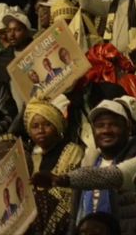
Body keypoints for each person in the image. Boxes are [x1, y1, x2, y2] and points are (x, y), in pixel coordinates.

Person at [26, 99, 85, 235]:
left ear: (57, 126)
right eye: (35, 126)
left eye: (47, 124)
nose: (40, 130)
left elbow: (68, 195)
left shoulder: (72, 151)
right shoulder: (34, 160)